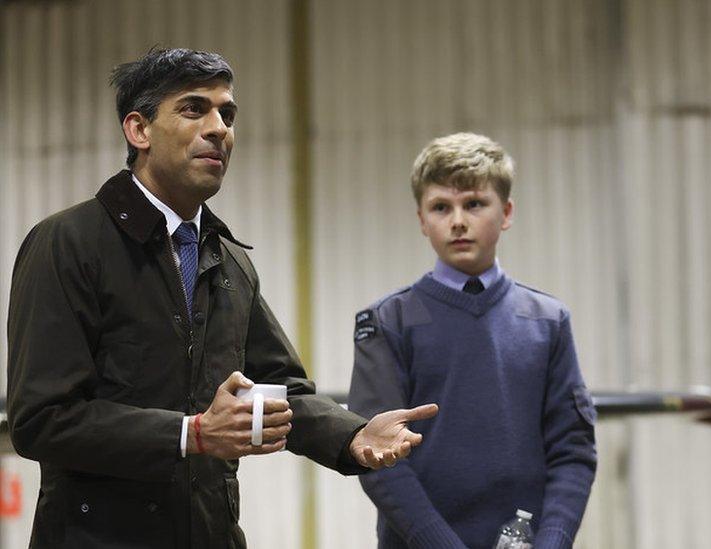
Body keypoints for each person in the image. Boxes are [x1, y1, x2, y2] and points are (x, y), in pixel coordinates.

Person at [5, 47, 437, 548]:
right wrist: (191, 434)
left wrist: (350, 434)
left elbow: (280, 388)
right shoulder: (67, 243)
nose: (219, 129)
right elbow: (41, 420)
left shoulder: (228, 260)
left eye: (226, 114)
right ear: (139, 130)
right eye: (194, 109)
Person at [347, 132, 597, 548]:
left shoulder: (547, 320)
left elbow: (573, 452)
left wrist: (552, 541)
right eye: (441, 207)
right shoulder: (388, 321)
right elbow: (380, 460)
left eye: (475, 204)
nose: (458, 221)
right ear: (422, 220)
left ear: (507, 212)